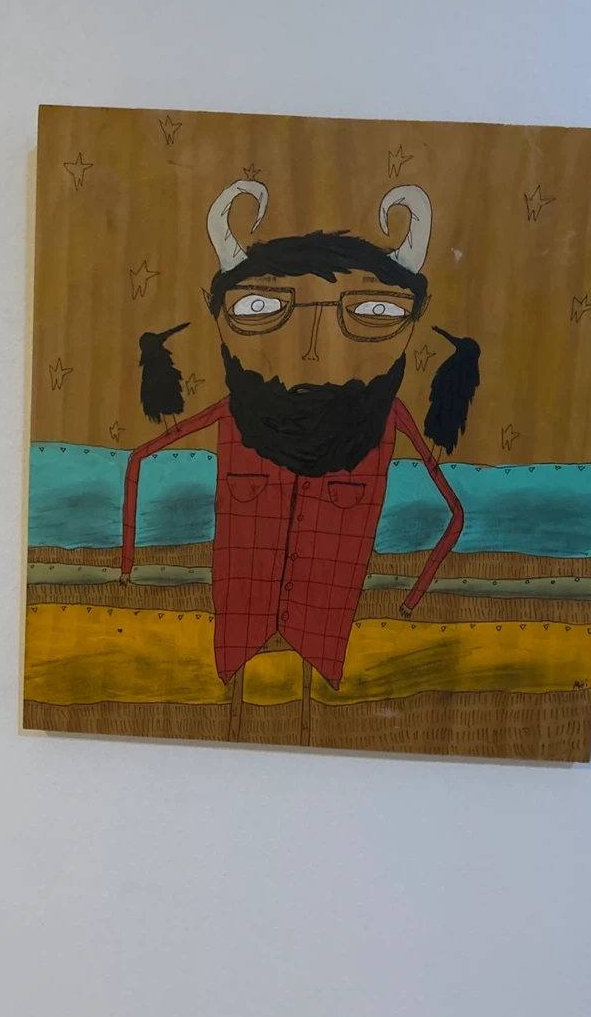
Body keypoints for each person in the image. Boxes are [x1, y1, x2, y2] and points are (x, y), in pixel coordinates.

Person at [121, 181, 480, 729]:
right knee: (235, 701)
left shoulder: (388, 419)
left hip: (325, 618)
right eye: (259, 307)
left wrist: (416, 598)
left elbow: (455, 513)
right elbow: (140, 459)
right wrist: (128, 567)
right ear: (221, 317)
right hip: (242, 613)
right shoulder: (235, 413)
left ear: (411, 319)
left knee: (311, 705)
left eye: (376, 309)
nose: (311, 351)